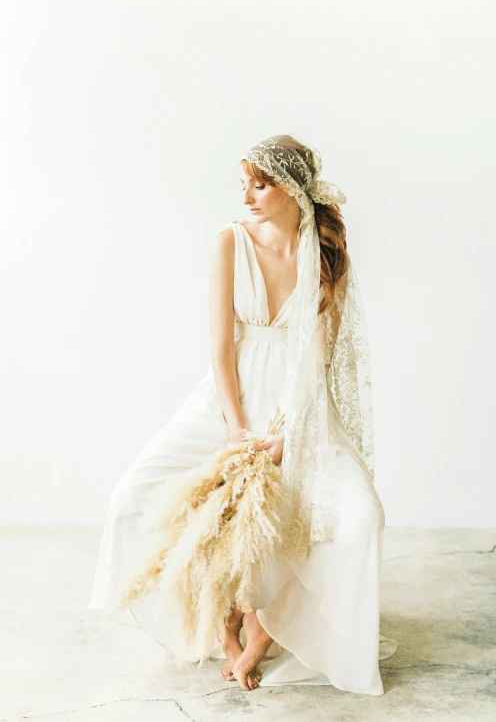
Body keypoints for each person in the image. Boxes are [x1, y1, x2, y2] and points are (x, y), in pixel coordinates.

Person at [88, 134, 397, 693]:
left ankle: (272, 625)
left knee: (359, 515)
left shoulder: (323, 256)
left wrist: (290, 436)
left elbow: (320, 362)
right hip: (227, 400)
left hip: (300, 411)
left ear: (295, 190)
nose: (248, 197)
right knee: (133, 494)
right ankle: (217, 622)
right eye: (245, 185)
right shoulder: (228, 244)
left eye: (262, 184)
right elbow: (221, 349)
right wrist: (234, 427)